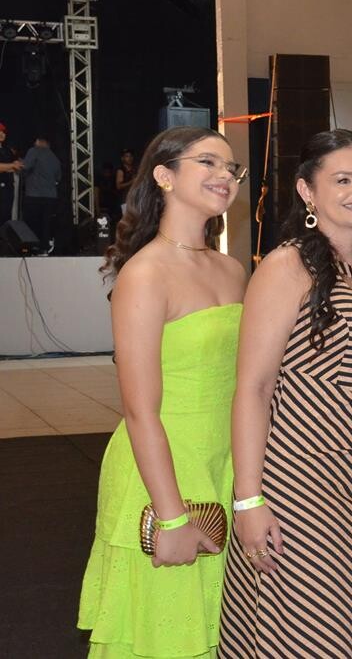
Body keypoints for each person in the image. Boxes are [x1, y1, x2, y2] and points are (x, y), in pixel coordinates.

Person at [218, 129, 352, 658]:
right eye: (344, 180)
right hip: (297, 483)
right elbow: (253, 389)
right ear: (307, 191)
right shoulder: (287, 266)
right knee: (310, 629)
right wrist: (248, 499)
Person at [78, 126, 248, 658]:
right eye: (208, 163)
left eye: (231, 168)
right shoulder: (145, 274)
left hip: (223, 466)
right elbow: (139, 410)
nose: (225, 176)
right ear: (164, 176)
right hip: (162, 472)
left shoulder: (232, 269)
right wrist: (171, 516)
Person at [20, 135, 62, 253]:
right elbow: (58, 178)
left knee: (32, 224)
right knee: (46, 224)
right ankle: (45, 248)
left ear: (38, 142)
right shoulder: (54, 157)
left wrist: (19, 163)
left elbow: (25, 167)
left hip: (34, 195)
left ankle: (32, 248)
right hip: (51, 196)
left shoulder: (33, 151)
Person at [0, 122, 23, 225]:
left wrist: (16, 166)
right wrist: (12, 165)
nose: (2, 134)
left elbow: (9, 167)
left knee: (6, 219)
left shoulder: (7, 151)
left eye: (3, 132)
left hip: (8, 190)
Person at [115, 147, 137, 215]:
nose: (129, 158)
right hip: (124, 199)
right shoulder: (121, 170)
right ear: (122, 158)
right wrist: (132, 182)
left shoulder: (135, 169)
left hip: (134, 199)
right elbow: (118, 186)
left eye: (131, 156)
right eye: (127, 156)